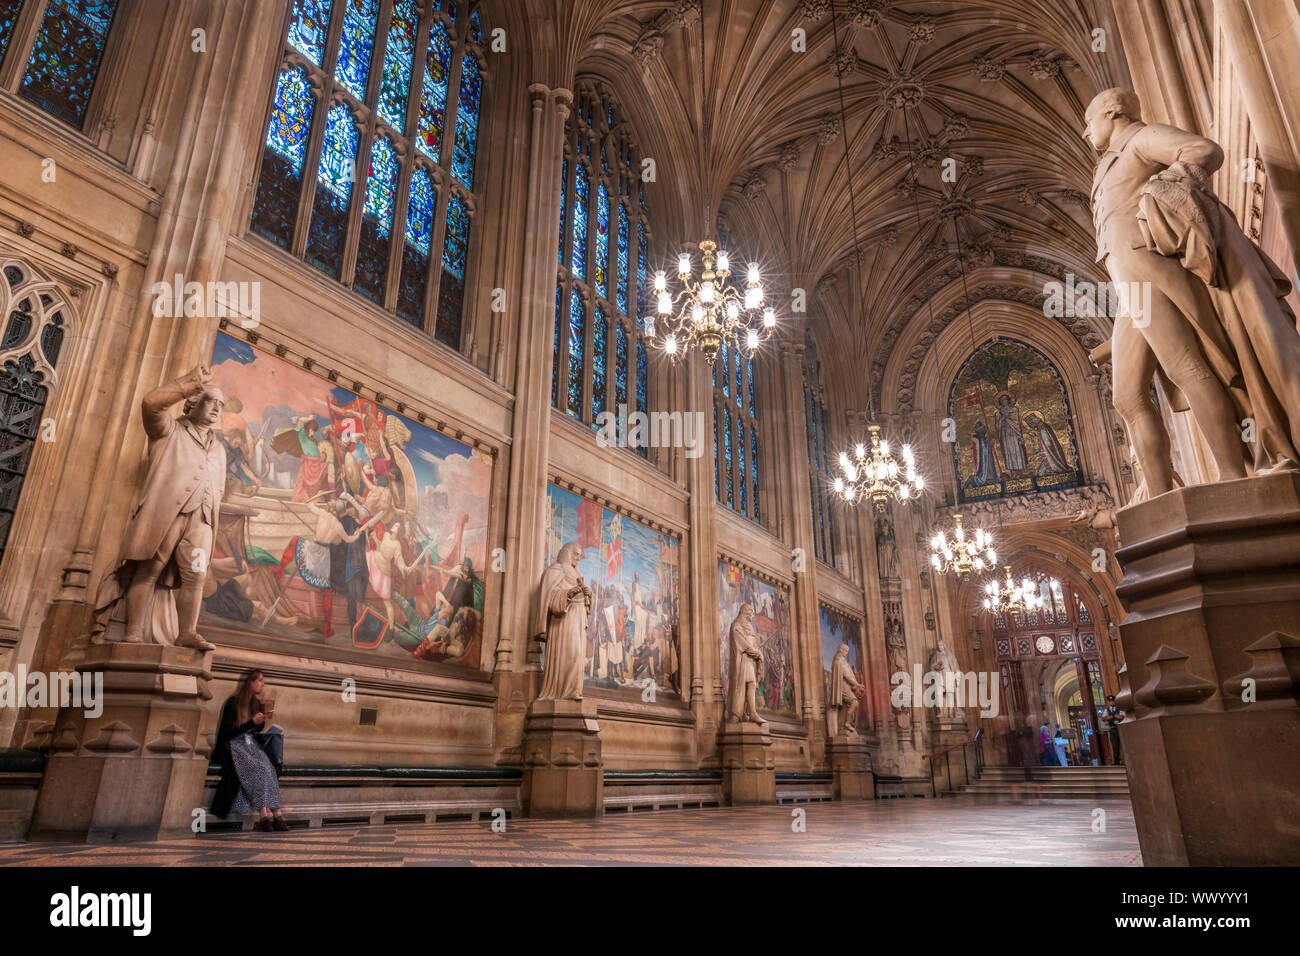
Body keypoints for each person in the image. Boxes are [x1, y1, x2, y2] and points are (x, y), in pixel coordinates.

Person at [211, 669, 287, 831]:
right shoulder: (233, 702)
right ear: (250, 683)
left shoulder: (254, 703)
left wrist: (261, 715)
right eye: (259, 680)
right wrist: (250, 722)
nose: (262, 683)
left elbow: (257, 729)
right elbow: (228, 733)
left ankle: (277, 813)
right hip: (234, 746)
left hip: (250, 745)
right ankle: (264, 815)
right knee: (258, 769)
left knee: (269, 769)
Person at [1101, 695, 1125, 764]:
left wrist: (1120, 716)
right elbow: (1103, 718)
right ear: (1108, 702)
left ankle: (1125, 760)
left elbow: (1125, 716)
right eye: (1110, 701)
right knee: (1115, 745)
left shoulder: (1120, 708)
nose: (1111, 702)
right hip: (1113, 729)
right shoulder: (1107, 710)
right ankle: (1116, 761)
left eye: (1112, 701)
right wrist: (1107, 717)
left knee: (1123, 745)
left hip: (1121, 728)